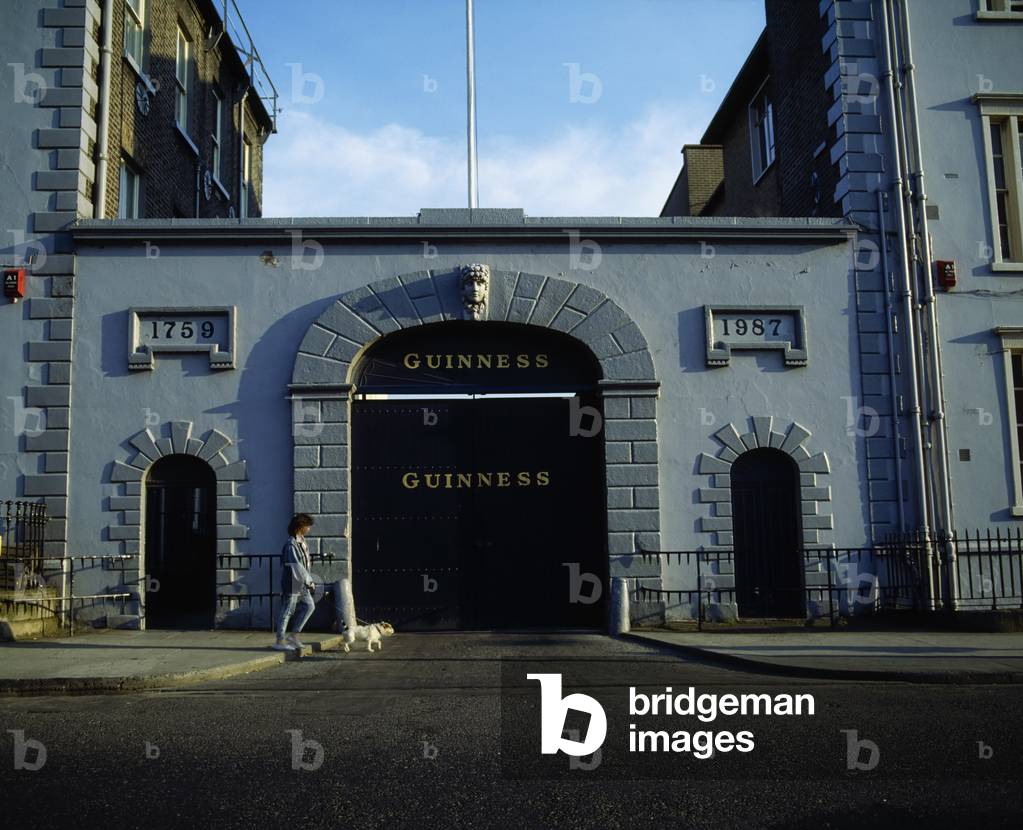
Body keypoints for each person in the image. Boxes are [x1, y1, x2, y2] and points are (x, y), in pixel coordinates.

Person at [273, 513, 316, 651]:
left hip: (301, 583)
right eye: (307, 526)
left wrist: (308, 581)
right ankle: (280, 641)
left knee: (309, 606)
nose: (309, 528)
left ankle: (294, 635)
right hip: (292, 583)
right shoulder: (291, 544)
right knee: (287, 611)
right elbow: (296, 565)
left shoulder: (301, 542)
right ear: (300, 526)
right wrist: (309, 581)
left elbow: (304, 564)